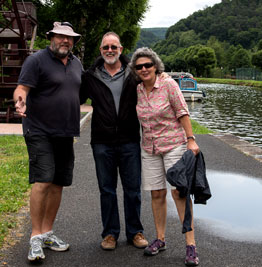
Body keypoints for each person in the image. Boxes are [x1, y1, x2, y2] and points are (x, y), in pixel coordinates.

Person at [13, 22, 82, 262]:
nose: (66, 41)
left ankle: (47, 233)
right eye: (61, 37)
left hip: (66, 132)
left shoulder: (76, 63)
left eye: (70, 38)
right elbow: (21, 88)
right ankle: (34, 238)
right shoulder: (36, 60)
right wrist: (20, 101)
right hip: (39, 130)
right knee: (43, 180)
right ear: (51, 38)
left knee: (58, 183)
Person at [130, 47, 200, 266]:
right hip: (149, 149)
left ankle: (191, 244)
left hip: (173, 146)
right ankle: (160, 239)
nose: (144, 69)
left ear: (156, 66)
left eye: (148, 65)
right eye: (139, 66)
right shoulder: (139, 89)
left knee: (179, 192)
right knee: (157, 194)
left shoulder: (168, 84)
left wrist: (191, 139)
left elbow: (182, 111)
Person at [80, 32, 148, 251]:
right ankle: (110, 233)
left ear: (121, 49)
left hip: (129, 139)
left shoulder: (134, 73)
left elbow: (154, 83)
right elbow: (75, 97)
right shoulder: (91, 76)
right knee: (107, 189)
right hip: (102, 141)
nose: (109, 51)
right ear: (101, 51)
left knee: (132, 189)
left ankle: (135, 232)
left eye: (114, 47)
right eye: (105, 47)